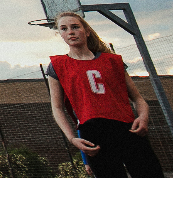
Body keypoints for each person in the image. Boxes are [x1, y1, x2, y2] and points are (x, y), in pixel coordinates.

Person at [45, 11, 164, 177]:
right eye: (64, 29)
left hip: (127, 129)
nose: (70, 32)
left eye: (75, 27)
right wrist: (72, 138)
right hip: (93, 134)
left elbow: (138, 99)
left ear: (86, 31)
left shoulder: (112, 61)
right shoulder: (57, 65)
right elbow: (57, 108)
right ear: (61, 35)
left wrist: (143, 117)